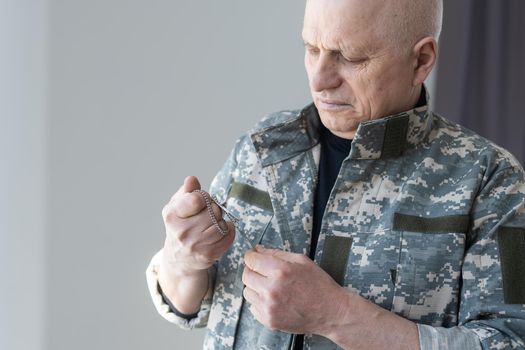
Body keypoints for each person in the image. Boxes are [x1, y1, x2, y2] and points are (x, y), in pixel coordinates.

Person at [146, 0, 525, 349]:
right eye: (312, 49)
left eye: (349, 56)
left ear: (421, 60)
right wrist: (181, 260)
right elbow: (191, 303)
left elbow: (511, 340)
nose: (320, 79)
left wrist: (338, 315)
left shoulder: (487, 180)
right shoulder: (262, 149)